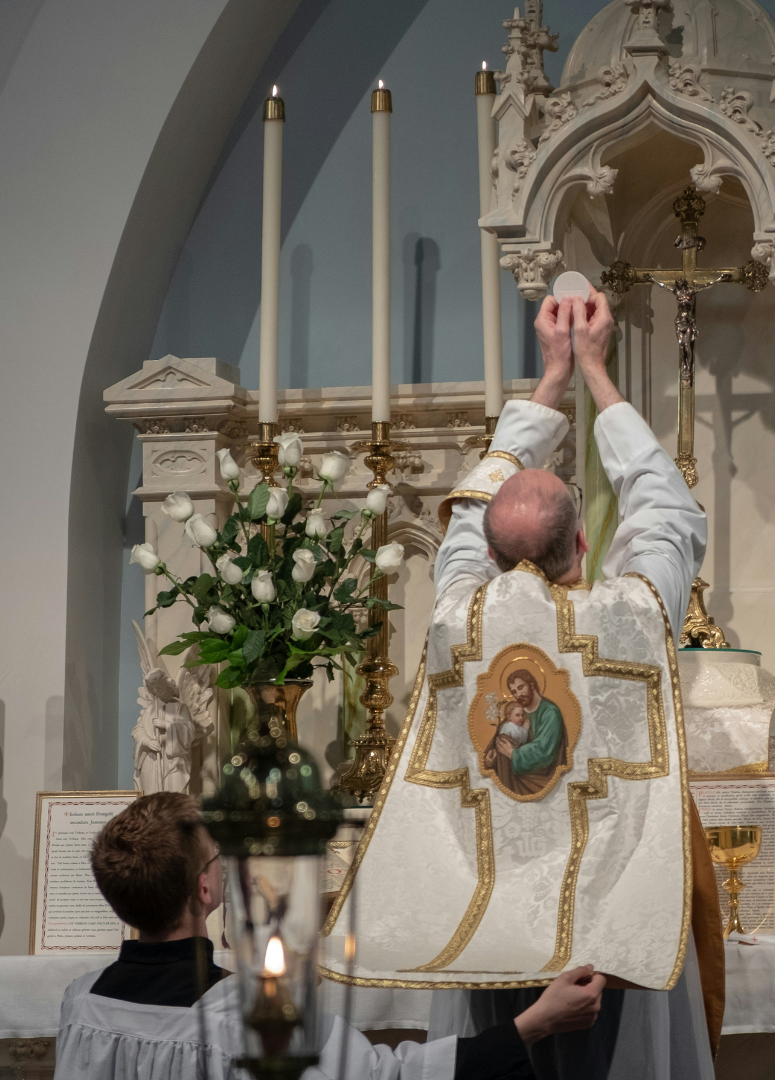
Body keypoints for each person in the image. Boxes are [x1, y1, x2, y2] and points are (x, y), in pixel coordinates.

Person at [323, 285, 724, 1080]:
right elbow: (667, 510)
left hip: (496, 922)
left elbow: (470, 519)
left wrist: (547, 383)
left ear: (489, 555)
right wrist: (595, 374)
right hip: (615, 926)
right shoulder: (633, 613)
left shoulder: (457, 622)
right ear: (584, 538)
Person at [56, 792, 605, 1080]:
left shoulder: (81, 1004)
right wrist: (536, 1023)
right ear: (204, 890)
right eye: (218, 857)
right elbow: (390, 1077)